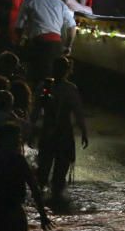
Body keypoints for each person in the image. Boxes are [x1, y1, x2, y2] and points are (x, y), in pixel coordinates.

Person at [33, 57, 88, 204]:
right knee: (59, 167)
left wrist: (31, 129)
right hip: (63, 131)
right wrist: (83, 131)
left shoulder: (44, 86)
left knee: (45, 165)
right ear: (68, 71)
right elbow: (78, 112)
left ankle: (42, 196)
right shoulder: (70, 89)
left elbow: (35, 110)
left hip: (49, 129)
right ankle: (55, 196)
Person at [17, 0, 78, 83]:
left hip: (38, 45)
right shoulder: (59, 3)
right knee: (54, 79)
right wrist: (68, 46)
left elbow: (19, 27)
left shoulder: (28, 2)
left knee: (37, 79)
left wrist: (20, 43)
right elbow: (72, 26)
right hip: (56, 46)